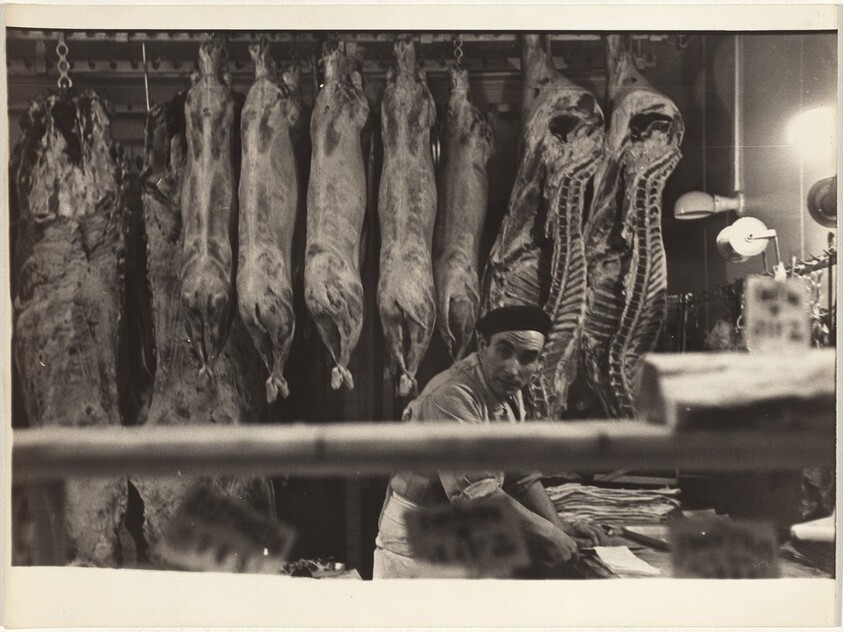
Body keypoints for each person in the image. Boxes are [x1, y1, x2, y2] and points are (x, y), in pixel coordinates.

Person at [372, 304, 605, 578]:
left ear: (539, 361)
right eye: (504, 351)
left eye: (527, 358)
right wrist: (548, 534)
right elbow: (473, 493)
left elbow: (520, 475)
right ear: (483, 346)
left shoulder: (509, 392)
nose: (513, 369)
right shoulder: (451, 394)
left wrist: (559, 527)